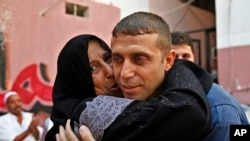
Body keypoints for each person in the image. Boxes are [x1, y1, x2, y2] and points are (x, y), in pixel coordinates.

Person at [47, 12, 214, 141]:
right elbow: (188, 113)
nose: (115, 72)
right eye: (93, 68)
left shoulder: (220, 108)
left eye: (109, 59)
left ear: (168, 60)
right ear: (77, 79)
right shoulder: (89, 114)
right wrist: (181, 67)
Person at [171, 31, 249, 141]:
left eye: (185, 56)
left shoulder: (220, 109)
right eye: (175, 57)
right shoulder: (170, 96)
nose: (180, 62)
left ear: (194, 58)